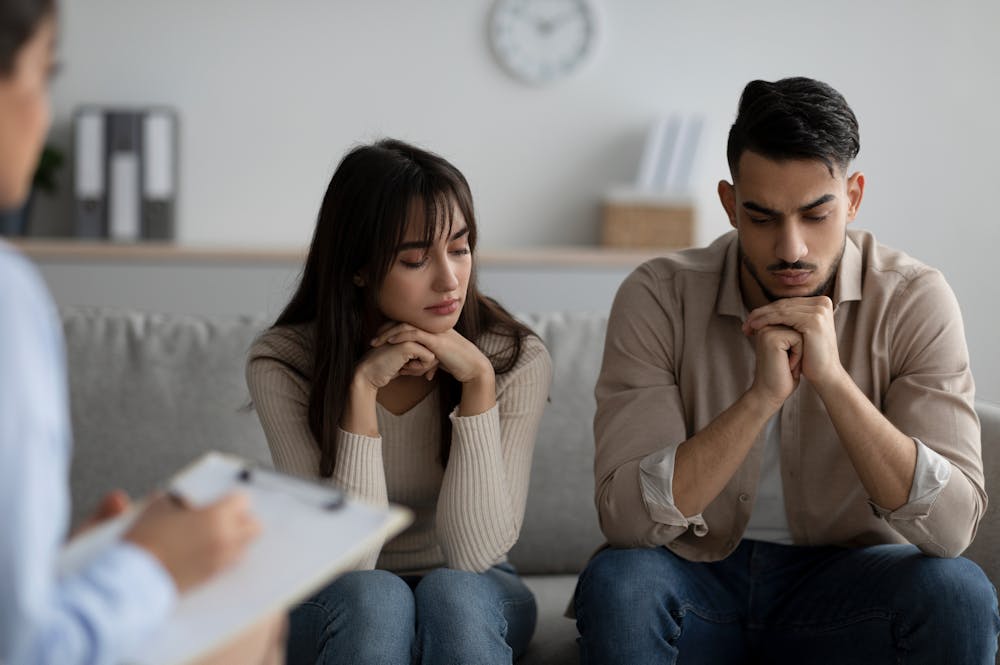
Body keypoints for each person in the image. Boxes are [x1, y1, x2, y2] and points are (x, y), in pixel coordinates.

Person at [574, 76, 1000, 664]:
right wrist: (759, 399)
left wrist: (831, 380)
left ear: (852, 197)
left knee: (960, 594)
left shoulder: (912, 298)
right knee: (621, 585)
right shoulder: (658, 295)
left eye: (816, 214)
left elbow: (953, 528)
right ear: (729, 204)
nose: (791, 247)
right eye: (763, 217)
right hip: (696, 576)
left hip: (851, 581)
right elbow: (624, 519)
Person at [0, 2, 285, 663]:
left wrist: (70, 565)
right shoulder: (8, 296)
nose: (45, 113)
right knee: (249, 618)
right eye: (44, 76)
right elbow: (28, 648)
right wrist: (150, 562)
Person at [246, 138, 552, 665]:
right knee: (376, 598)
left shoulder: (511, 357)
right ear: (359, 267)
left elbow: (472, 556)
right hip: (338, 587)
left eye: (460, 248)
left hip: (475, 587)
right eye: (415, 258)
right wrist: (360, 394)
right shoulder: (286, 363)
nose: (450, 278)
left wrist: (478, 383)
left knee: (451, 594)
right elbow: (349, 562)